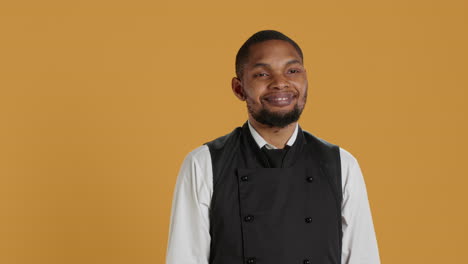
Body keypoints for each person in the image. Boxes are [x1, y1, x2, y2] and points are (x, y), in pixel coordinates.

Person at [165, 30, 380, 264]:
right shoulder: (203, 164)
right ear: (239, 89)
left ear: (306, 80)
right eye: (262, 74)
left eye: (292, 71)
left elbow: (362, 258)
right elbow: (184, 258)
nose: (280, 83)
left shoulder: (341, 164)